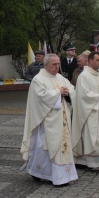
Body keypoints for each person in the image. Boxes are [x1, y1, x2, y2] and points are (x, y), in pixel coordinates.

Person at [20, 53, 78, 186]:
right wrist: (58, 93)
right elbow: (40, 97)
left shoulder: (61, 78)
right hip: (46, 121)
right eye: (54, 64)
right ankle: (39, 172)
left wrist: (68, 93)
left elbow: (72, 90)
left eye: (58, 64)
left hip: (62, 120)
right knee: (44, 148)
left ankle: (61, 176)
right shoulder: (38, 80)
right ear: (46, 65)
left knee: (61, 146)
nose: (57, 67)